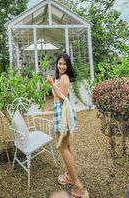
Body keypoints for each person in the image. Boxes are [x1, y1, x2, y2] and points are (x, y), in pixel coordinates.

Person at [47, 53, 89, 198]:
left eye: (65, 64)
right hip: (61, 110)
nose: (62, 66)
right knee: (68, 145)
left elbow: (63, 96)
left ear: (68, 65)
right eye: (60, 63)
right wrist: (51, 107)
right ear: (57, 64)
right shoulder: (60, 77)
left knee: (62, 147)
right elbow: (57, 98)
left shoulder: (64, 78)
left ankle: (78, 186)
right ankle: (70, 175)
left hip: (63, 112)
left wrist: (52, 84)